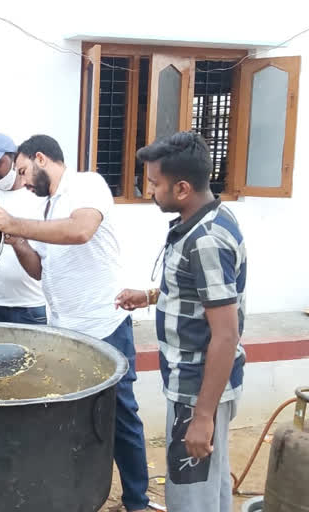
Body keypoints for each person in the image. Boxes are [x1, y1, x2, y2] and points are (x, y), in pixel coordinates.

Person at [0, 134, 150, 511]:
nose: (24, 181)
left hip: (104, 325)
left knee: (121, 415)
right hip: (68, 334)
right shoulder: (46, 208)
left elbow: (80, 231)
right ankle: (83, 495)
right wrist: (18, 242)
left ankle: (137, 501)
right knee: (76, 419)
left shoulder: (86, 185)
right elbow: (40, 270)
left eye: (24, 171)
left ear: (41, 158)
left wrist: (17, 223)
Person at [115, 132, 246, 512]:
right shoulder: (203, 219)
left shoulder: (206, 239)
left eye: (155, 183)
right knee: (210, 491)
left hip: (198, 390)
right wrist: (151, 296)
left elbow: (225, 334)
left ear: (183, 188)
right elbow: (202, 294)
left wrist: (202, 417)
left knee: (191, 498)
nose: (149, 190)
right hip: (195, 385)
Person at [0, 133, 47, 324]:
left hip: (29, 305)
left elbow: (43, 261)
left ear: (14, 158)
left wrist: (16, 238)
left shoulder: (37, 197)